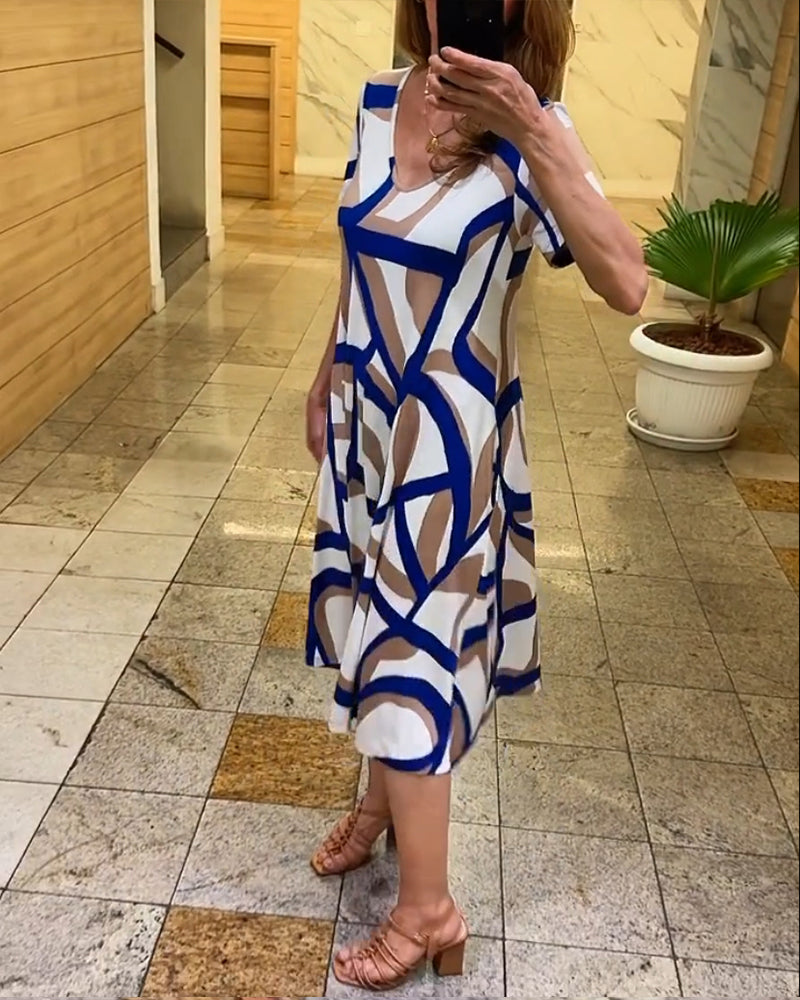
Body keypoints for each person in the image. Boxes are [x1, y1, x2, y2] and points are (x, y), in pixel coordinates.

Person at [304, 0, 647, 989]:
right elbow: (357, 256)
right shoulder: (379, 102)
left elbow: (626, 282)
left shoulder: (532, 134)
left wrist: (529, 126)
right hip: (369, 424)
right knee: (374, 628)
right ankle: (381, 808)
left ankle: (429, 909)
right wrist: (325, 372)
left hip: (447, 450)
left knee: (412, 655)